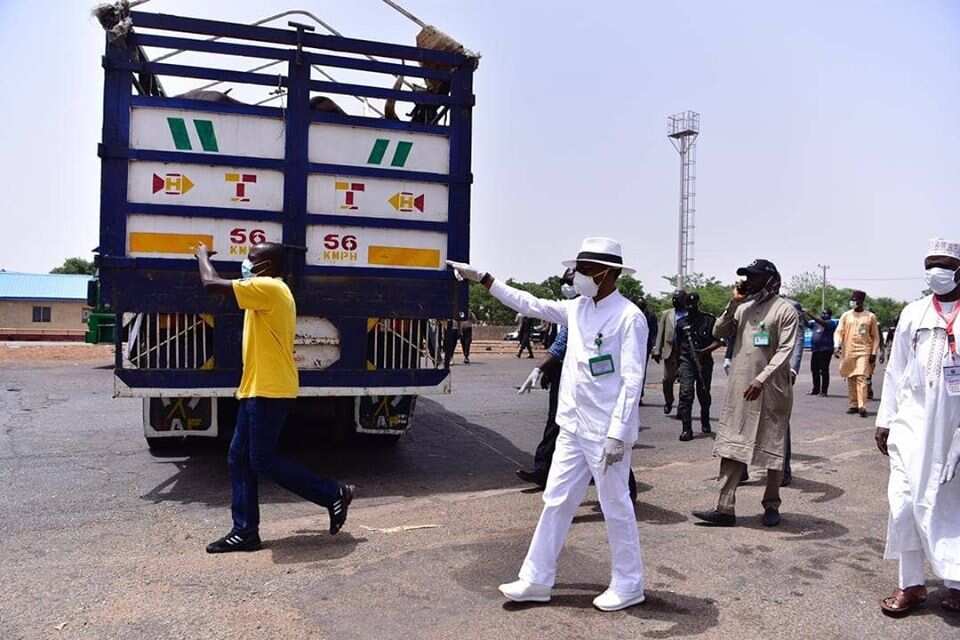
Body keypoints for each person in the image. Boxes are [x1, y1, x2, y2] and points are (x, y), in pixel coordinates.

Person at [448, 237, 648, 612]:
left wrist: (619, 433)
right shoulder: (577, 309)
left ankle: (629, 583)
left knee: (615, 504)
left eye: (585, 271)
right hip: (572, 427)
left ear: (607, 274)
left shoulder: (628, 317)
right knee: (555, 500)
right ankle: (536, 579)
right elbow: (530, 303)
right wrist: (486, 279)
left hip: (606, 432)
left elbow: (632, 380)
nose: (578, 277)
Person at [194, 242, 354, 553]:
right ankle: (245, 532)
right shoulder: (266, 290)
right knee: (238, 458)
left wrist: (201, 256)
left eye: (251, 259)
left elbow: (211, 284)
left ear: (267, 266)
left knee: (262, 460)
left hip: (270, 389)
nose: (246, 263)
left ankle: (332, 493)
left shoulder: (269, 287)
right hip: (256, 387)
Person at [875, 237, 960, 616]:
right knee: (904, 503)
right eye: (929, 264)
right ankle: (911, 585)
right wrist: (884, 420)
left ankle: (957, 582)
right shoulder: (913, 312)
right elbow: (895, 371)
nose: (934, 272)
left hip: (953, 428)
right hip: (911, 423)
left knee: (951, 504)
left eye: (942, 264)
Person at [515, 269, 638, 503]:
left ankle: (626, 495)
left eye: (570, 281)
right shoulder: (573, 306)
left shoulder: (607, 311)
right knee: (556, 425)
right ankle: (544, 474)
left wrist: (621, 430)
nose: (569, 285)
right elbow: (539, 316)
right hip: (567, 377)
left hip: (595, 388)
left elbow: (631, 376)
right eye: (567, 281)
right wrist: (541, 369)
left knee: (606, 447)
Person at [692, 259, 798, 528]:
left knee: (771, 446)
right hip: (741, 389)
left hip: (771, 389)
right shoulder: (744, 309)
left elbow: (785, 351)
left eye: (753, 277)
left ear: (770, 279)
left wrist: (761, 379)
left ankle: (771, 505)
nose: (747, 281)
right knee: (732, 444)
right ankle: (724, 508)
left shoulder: (785, 310)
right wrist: (733, 304)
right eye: (745, 277)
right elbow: (719, 332)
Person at [675, 292, 722, 441]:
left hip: (704, 361)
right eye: (688, 305)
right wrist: (678, 367)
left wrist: (705, 351)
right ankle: (686, 429)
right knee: (686, 394)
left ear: (698, 304)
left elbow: (719, 341)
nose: (691, 308)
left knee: (703, 392)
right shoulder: (681, 323)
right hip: (687, 361)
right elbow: (677, 346)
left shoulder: (709, 320)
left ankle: (705, 421)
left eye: (693, 305)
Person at [834, 290, 880, 418]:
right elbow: (839, 332)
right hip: (848, 350)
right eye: (852, 300)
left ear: (861, 302)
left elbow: (875, 337)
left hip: (864, 350)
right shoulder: (846, 316)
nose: (853, 302)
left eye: (856, 300)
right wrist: (836, 345)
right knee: (851, 377)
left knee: (862, 377)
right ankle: (853, 404)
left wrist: (874, 352)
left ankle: (862, 406)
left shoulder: (870, 316)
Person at [652, 290, 687, 415]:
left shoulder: (689, 314)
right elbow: (660, 333)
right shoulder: (666, 314)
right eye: (673, 298)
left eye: (678, 298)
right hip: (670, 352)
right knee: (667, 380)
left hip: (684, 352)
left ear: (684, 299)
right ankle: (669, 400)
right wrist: (657, 350)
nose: (675, 300)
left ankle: (682, 408)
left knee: (685, 382)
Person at [805, 308, 837, 397]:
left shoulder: (830, 323)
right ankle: (815, 389)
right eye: (822, 313)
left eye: (825, 313)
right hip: (816, 349)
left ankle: (824, 391)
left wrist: (810, 314)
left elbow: (822, 322)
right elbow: (807, 324)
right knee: (814, 369)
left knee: (824, 370)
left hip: (826, 349)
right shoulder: (815, 323)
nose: (823, 315)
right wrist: (801, 315)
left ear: (829, 315)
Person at [638, 298, 658, 406]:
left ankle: (639, 395)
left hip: (645, 346)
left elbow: (654, 331)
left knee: (641, 371)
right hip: (632, 345)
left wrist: (654, 346)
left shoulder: (650, 316)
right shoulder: (630, 313)